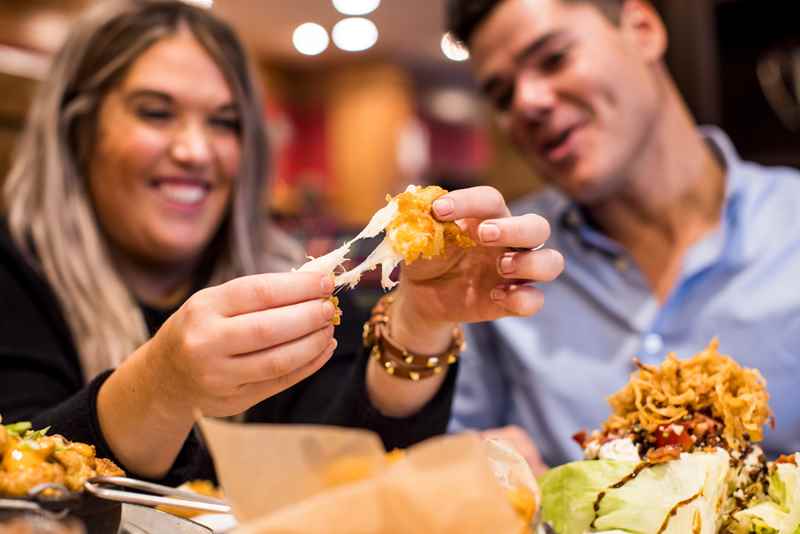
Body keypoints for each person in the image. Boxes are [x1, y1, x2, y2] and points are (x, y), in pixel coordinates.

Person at [0, 0, 564, 484]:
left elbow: (343, 461)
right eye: (155, 113)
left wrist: (422, 323)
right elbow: (20, 478)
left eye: (225, 122)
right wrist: (161, 387)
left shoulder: (284, 275)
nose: (196, 151)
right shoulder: (14, 273)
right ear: (77, 129)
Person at [445, 0, 800, 473]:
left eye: (553, 58)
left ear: (643, 29)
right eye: (502, 95)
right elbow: (443, 459)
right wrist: (472, 470)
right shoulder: (497, 263)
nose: (527, 102)